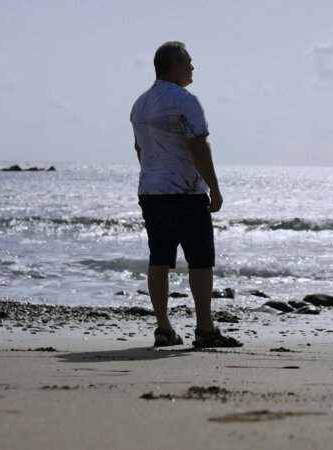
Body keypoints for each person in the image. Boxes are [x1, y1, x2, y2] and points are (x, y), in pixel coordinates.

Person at [130, 41, 242, 348]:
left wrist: (156, 179)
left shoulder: (139, 104)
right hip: (185, 192)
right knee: (200, 260)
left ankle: (163, 327)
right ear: (174, 65)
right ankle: (205, 328)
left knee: (159, 259)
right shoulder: (185, 100)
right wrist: (215, 189)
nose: (193, 68)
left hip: (151, 191)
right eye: (189, 62)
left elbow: (140, 149)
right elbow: (197, 145)